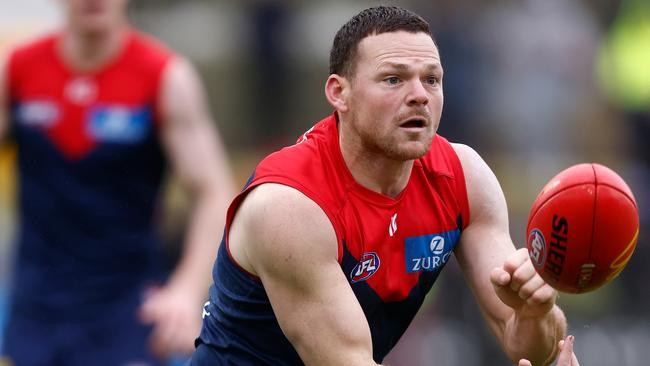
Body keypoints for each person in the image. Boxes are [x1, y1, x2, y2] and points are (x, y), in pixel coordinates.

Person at [191, 5, 576, 366]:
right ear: (339, 93)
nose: (419, 96)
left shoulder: (463, 177)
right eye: (393, 79)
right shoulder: (288, 207)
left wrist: (534, 313)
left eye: (432, 79)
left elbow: (533, 350)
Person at [0, 0, 235, 364]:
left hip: (127, 306)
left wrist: (187, 290)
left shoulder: (164, 75)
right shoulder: (17, 68)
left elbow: (214, 192)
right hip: (37, 305)